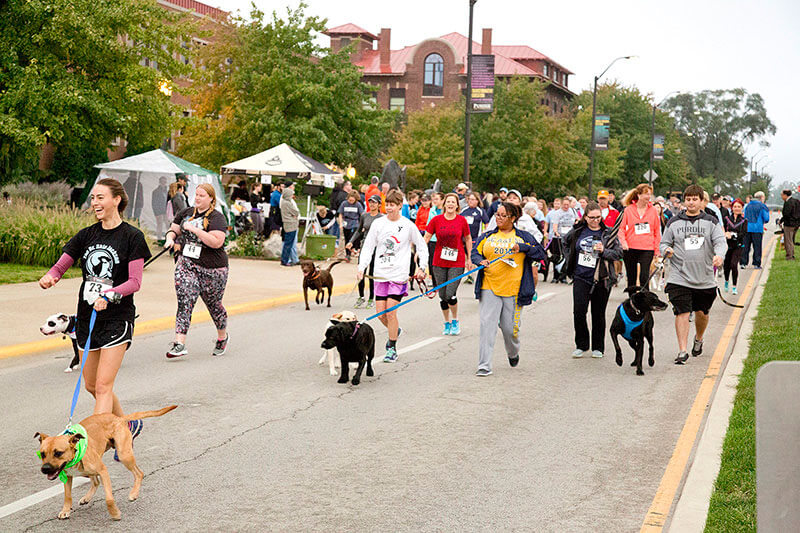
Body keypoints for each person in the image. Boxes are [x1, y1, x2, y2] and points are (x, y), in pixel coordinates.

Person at [39, 177, 151, 453]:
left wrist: (109, 295)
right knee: (90, 384)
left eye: (100, 197)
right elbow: (64, 262)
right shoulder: (87, 234)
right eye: (93, 198)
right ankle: (126, 426)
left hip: (117, 318)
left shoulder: (132, 237)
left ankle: (94, 448)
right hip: (88, 317)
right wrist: (52, 276)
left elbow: (135, 281)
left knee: (103, 386)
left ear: (117, 200)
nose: (95, 203)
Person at [472, 202, 546, 376]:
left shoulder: (523, 236)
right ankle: (484, 365)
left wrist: (523, 248)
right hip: (489, 286)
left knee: (509, 329)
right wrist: (479, 261)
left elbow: (540, 253)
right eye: (497, 215)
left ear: (513, 218)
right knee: (486, 326)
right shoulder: (487, 236)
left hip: (513, 290)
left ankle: (513, 352)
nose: (498, 218)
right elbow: (475, 252)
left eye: (503, 215)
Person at [358, 190, 428, 362]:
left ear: (399, 206)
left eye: (392, 205)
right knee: (380, 314)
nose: (388, 208)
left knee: (390, 312)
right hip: (380, 274)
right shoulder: (378, 224)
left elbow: (421, 246)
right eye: (387, 204)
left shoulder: (407, 225)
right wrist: (361, 267)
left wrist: (422, 267)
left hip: (399, 275)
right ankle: (394, 330)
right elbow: (368, 247)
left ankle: (391, 347)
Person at [660, 184, 726, 365]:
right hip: (679, 276)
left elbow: (720, 242)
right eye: (688, 199)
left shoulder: (710, 222)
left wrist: (719, 256)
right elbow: (664, 243)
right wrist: (667, 250)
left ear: (701, 201)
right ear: (684, 201)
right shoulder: (674, 222)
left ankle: (699, 338)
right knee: (681, 312)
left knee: (702, 313)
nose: (691, 202)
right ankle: (682, 350)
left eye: (694, 199)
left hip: (704, 277)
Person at [164, 183, 230, 358]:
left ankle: (222, 337)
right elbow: (174, 229)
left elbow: (216, 242)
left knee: (214, 306)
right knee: (185, 300)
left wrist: (195, 229)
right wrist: (170, 239)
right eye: (196, 195)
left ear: (211, 199)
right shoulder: (185, 213)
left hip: (213, 268)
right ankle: (179, 343)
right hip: (188, 264)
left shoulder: (217, 217)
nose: (197, 198)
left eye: (202, 195)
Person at [563, 202, 623, 358]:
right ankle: (582, 344)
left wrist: (604, 251)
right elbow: (564, 241)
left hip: (601, 278)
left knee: (598, 313)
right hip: (581, 276)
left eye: (598, 217)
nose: (595, 220)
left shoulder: (608, 233)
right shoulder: (578, 231)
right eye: (592, 217)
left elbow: (618, 253)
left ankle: (598, 346)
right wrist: (569, 259)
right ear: (585, 217)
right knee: (579, 311)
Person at [425, 193, 472, 335]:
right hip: (439, 261)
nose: (451, 204)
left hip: (456, 262)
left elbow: (468, 238)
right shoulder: (436, 220)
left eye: (453, 202)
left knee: (450, 294)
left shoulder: (461, 220)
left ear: (457, 205)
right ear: (444, 204)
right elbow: (426, 236)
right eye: (448, 202)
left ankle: (455, 320)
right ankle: (446, 322)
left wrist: (469, 258)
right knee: (442, 296)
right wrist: (419, 255)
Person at [618, 184, 662, 289]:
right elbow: (621, 229)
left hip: (647, 248)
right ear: (638, 195)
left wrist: (657, 250)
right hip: (630, 247)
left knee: (644, 277)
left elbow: (657, 231)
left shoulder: (653, 211)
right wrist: (623, 243)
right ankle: (632, 300)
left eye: (650, 194)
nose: (648, 197)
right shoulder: (628, 210)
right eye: (646, 194)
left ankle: (644, 301)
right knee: (632, 277)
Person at [347, 195, 383, 307]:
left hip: (376, 248)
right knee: (361, 271)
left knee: (372, 273)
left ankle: (372, 298)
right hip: (365, 247)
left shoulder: (382, 218)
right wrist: (351, 241)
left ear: (379, 205)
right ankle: (361, 296)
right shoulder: (364, 215)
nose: (372, 204)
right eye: (370, 202)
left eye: (374, 203)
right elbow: (359, 231)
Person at [740, 191, 770, 269]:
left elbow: (745, 216)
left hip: (747, 228)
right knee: (757, 247)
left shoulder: (748, 205)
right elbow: (766, 218)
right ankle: (756, 263)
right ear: (761, 197)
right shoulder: (763, 206)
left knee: (746, 246)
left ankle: (743, 262)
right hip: (757, 228)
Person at [723, 198, 747, 294]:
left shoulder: (744, 220)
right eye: (735, 206)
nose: (737, 208)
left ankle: (734, 287)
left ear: (742, 208)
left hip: (738, 245)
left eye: (739, 207)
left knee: (734, 264)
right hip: (727, 245)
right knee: (727, 265)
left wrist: (733, 235)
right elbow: (723, 229)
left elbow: (743, 233)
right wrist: (725, 234)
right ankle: (726, 281)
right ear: (732, 208)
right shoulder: (727, 219)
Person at [338, 190, 364, 261]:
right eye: (350, 200)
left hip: (354, 222)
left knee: (351, 238)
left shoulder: (358, 205)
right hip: (346, 222)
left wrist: (362, 225)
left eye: (352, 200)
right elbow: (340, 214)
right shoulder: (344, 204)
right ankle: (348, 254)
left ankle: (354, 250)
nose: (351, 202)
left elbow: (362, 215)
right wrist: (340, 223)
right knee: (346, 239)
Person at [425, 192, 444, 284]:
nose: (434, 201)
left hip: (443, 240)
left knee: (442, 261)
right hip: (433, 239)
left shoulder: (445, 211)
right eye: (433, 199)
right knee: (432, 260)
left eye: (436, 199)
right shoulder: (432, 211)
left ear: (442, 200)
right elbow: (428, 225)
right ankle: (434, 280)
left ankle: (442, 280)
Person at [280, 183, 300, 266]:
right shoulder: (288, 203)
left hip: (287, 223)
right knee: (289, 244)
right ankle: (285, 260)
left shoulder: (283, 202)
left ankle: (286, 259)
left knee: (287, 243)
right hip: (291, 224)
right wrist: (294, 215)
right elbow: (296, 212)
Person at [780, 189, 800, 260]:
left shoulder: (788, 203)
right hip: (796, 224)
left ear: (785, 195)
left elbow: (786, 214)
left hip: (789, 224)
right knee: (792, 240)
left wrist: (781, 220)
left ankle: (790, 256)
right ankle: (792, 254)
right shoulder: (796, 201)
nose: (781, 197)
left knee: (788, 240)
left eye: (782, 195)